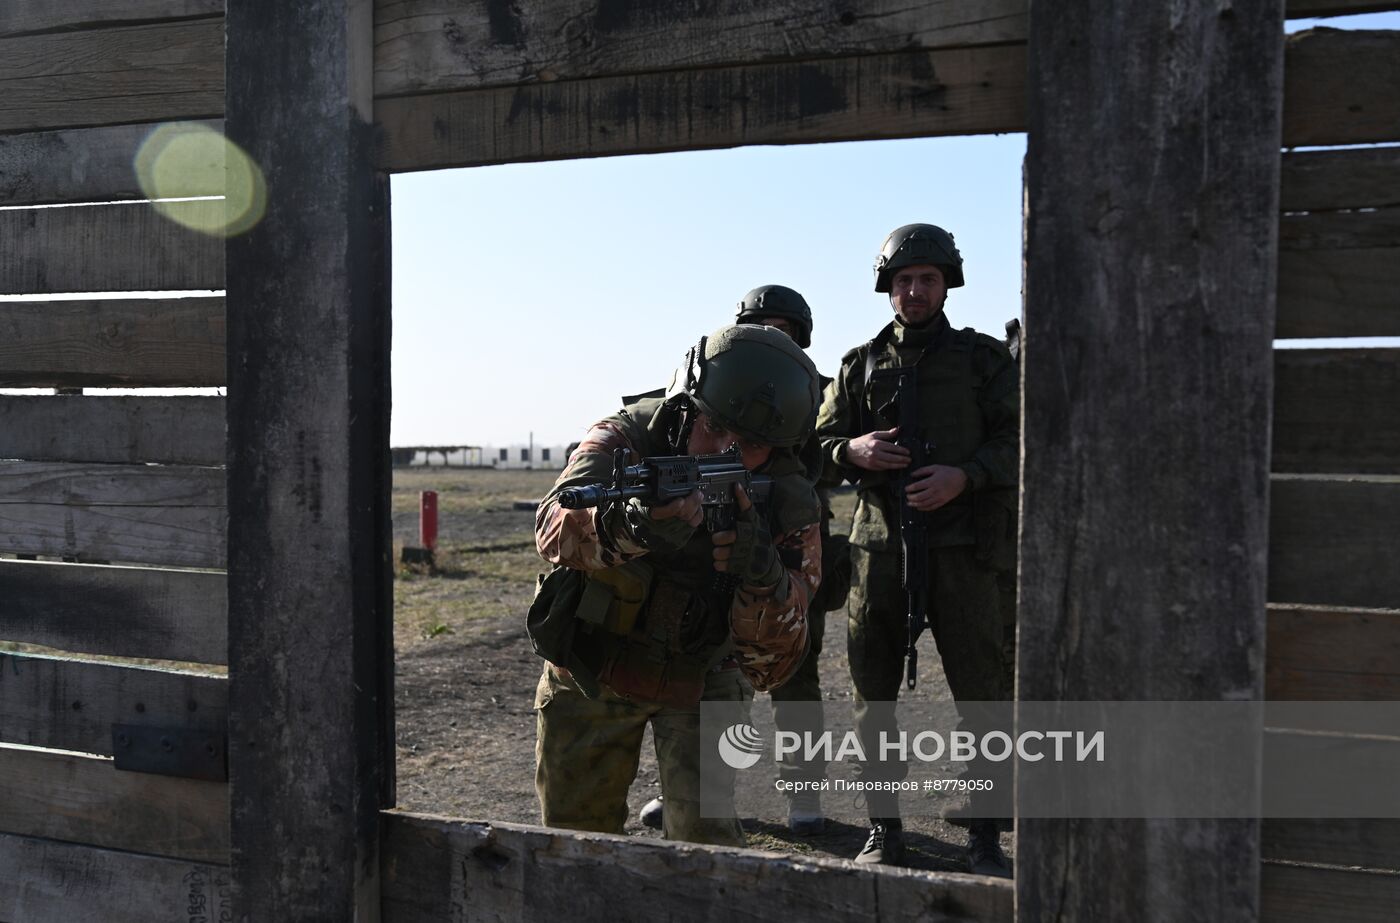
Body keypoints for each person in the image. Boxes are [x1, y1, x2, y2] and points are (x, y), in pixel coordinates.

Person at [529, 323, 824, 846]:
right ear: (686, 406)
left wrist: (763, 575)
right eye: (713, 427)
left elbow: (776, 662)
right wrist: (627, 525)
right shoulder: (627, 437)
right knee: (574, 843)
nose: (724, 451)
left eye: (751, 444)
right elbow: (553, 527)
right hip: (595, 660)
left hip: (706, 672)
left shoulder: (788, 500)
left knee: (707, 848)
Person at [815, 224, 1018, 874]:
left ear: (946, 283)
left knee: (983, 697)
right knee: (872, 697)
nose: (914, 290)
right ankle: (884, 831)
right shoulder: (860, 365)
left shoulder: (986, 362)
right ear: (888, 288)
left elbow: (1026, 438)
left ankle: (985, 836)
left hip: (966, 552)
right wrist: (854, 449)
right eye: (904, 280)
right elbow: (813, 448)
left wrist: (966, 474)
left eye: (926, 278)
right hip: (881, 552)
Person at [637, 285, 850, 836]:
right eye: (764, 326)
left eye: (785, 330)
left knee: (793, 675)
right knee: (717, 675)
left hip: (786, 546)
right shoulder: (718, 391)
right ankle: (698, 791)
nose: (774, 338)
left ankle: (804, 793)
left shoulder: (814, 396)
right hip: (710, 540)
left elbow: (829, 451)